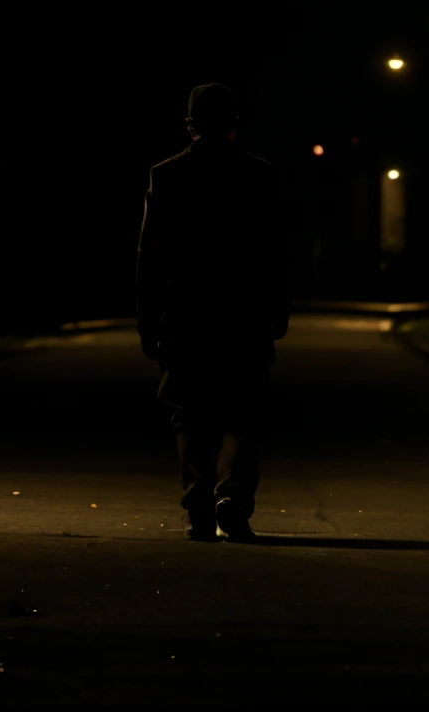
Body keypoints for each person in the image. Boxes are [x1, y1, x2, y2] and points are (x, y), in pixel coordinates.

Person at [136, 83, 287, 542]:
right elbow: (275, 253)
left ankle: (199, 502)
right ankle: (231, 494)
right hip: (244, 313)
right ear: (235, 124)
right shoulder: (260, 175)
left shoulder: (167, 175)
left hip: (186, 312)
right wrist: (278, 310)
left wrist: (148, 319)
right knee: (243, 411)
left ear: (190, 125)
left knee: (190, 411)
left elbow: (150, 256)